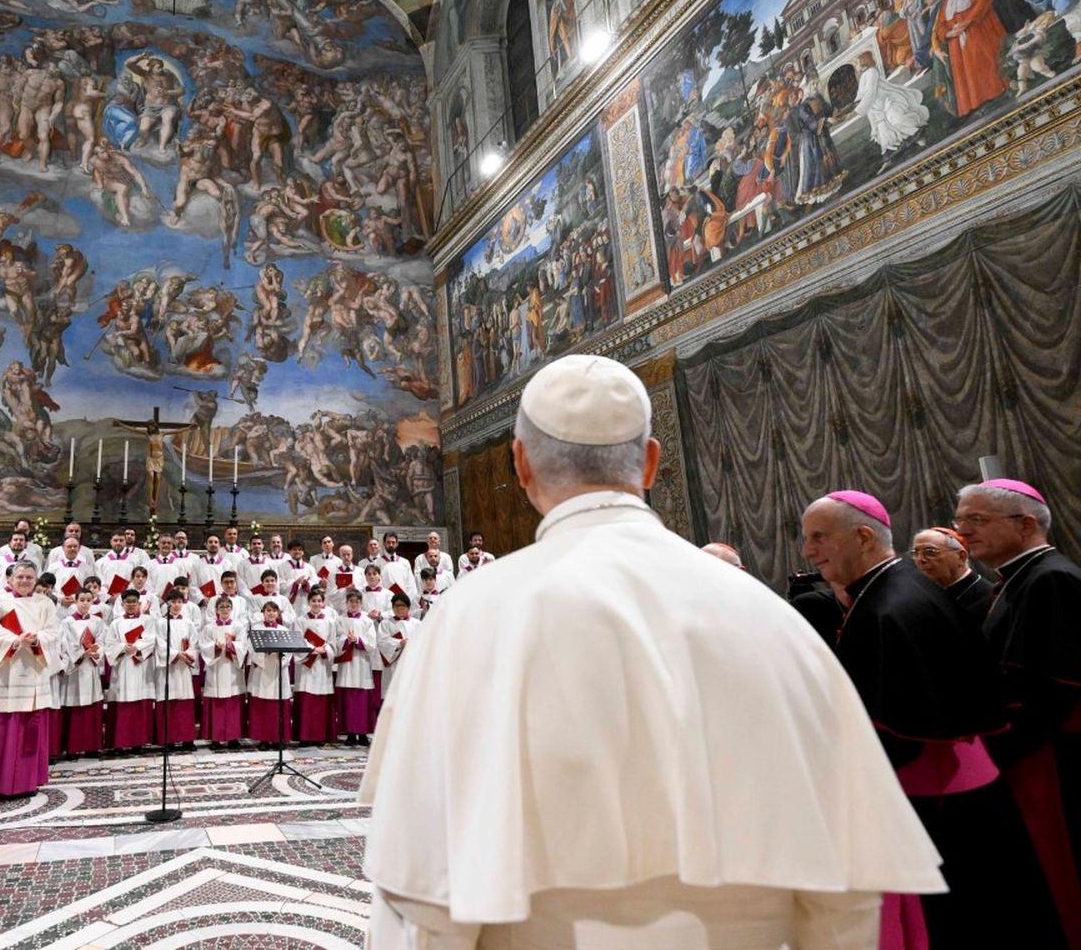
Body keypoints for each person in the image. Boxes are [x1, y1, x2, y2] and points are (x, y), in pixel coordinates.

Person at [361, 355, 943, 948]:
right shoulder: (768, 615)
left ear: (520, 463)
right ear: (651, 462)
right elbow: (846, 890)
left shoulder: (470, 616)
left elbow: (423, 891)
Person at [802, 489, 1062, 947]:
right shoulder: (897, 588)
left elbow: (901, 727)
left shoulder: (890, 607)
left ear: (863, 537)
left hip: (933, 794)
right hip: (954, 784)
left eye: (819, 537)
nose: (808, 551)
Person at [958, 478, 1081, 944]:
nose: (963, 531)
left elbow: (1055, 686)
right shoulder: (1020, 577)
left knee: (1060, 867)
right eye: (961, 519)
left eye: (977, 519)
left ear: (1026, 523)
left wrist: (997, 745)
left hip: (1049, 756)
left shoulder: (1051, 578)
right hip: (1027, 750)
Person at [0, 561, 59, 798]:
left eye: (30, 577)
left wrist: (36, 639)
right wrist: (16, 640)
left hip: (31, 670)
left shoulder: (45, 603)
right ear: (10, 579)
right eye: (20, 577)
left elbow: (53, 632)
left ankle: (25, 782)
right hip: (3, 673)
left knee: (27, 726)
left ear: (36, 580)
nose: (25, 581)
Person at [56, 587, 105, 757]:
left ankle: (92, 746)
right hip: (75, 670)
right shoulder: (67, 622)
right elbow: (65, 644)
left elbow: (101, 641)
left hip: (90, 667)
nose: (85, 603)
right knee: (74, 707)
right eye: (82, 600)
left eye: (88, 600)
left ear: (92, 602)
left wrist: (95, 652)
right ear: (75, 601)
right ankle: (72, 748)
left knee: (91, 707)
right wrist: (80, 654)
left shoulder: (97, 621)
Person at [106, 591, 157, 753]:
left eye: (134, 602)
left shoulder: (147, 620)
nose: (131, 605)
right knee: (123, 702)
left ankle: (140, 742)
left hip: (140, 665)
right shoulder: (116, 623)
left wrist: (137, 647)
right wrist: (123, 647)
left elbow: (151, 639)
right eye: (127, 602)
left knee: (140, 702)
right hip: (123, 667)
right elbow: (109, 644)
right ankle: (121, 743)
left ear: (139, 604)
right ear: (122, 605)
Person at [911, 526, 994, 618]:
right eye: (915, 553)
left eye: (930, 552)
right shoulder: (920, 595)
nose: (920, 559)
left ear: (960, 557)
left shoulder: (990, 599)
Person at [200, 595, 247, 748]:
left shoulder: (238, 627)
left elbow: (243, 645)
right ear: (216, 610)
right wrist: (215, 647)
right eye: (221, 607)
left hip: (232, 668)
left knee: (233, 703)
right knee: (217, 703)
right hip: (216, 668)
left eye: (227, 607)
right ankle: (216, 738)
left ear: (231, 609)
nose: (225, 610)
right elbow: (203, 646)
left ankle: (234, 737)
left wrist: (231, 646)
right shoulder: (209, 628)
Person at [246, 600, 294, 744]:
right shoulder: (256, 629)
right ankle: (264, 739)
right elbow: (250, 648)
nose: (271, 613)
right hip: (262, 670)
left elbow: (289, 652)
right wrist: (264, 654)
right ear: (263, 613)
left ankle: (278, 738)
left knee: (278, 706)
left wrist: (280, 659)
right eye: (268, 610)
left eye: (274, 610)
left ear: (278, 613)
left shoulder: (284, 630)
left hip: (278, 671)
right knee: (263, 705)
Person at [333, 590, 377, 745]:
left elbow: (372, 643)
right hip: (346, 665)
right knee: (349, 701)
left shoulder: (367, 621)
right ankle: (350, 733)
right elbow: (335, 640)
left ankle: (363, 734)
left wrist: (357, 639)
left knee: (362, 701)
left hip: (362, 664)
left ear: (361, 603)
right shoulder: (340, 620)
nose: (354, 604)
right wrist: (346, 640)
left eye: (357, 602)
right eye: (351, 601)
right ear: (346, 603)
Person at [155, 590, 198, 750]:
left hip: (183, 667)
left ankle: (187, 739)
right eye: (173, 602)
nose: (176, 605)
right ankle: (169, 740)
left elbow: (194, 643)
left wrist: (186, 654)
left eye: (179, 602)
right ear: (168, 604)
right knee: (169, 701)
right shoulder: (161, 623)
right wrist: (174, 654)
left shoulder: (188, 623)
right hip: (169, 668)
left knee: (184, 701)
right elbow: (159, 643)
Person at [296, 590, 337, 744]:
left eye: (319, 601)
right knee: (307, 700)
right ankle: (305, 736)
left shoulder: (330, 621)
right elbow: (298, 640)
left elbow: (333, 644)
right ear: (308, 602)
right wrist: (312, 649)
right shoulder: (300, 621)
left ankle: (320, 736)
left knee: (321, 701)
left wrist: (325, 649)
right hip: (307, 665)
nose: (316, 604)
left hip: (322, 666)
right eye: (313, 600)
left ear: (323, 603)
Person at [378, 593, 420, 697]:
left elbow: (423, 644)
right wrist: (399, 643)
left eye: (403, 606)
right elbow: (381, 642)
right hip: (393, 665)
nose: (400, 608)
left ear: (408, 607)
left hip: (411, 664)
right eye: (397, 606)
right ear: (392, 607)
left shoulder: (418, 624)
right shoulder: (386, 623)